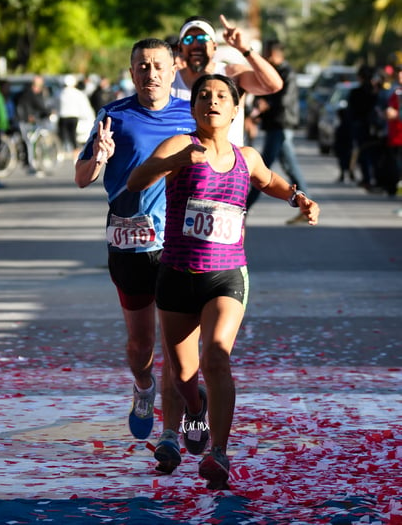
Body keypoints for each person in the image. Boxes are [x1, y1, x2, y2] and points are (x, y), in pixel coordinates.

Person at [127, 73, 320, 489]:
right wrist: (172, 164)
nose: (211, 102)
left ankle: (218, 452)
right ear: (194, 107)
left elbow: (268, 180)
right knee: (182, 374)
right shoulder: (181, 145)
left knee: (216, 356)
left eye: (221, 97)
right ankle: (194, 408)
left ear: (235, 110)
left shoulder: (246, 156)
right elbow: (136, 181)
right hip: (177, 275)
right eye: (203, 96)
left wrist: (296, 197)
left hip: (227, 276)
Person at [75, 38, 196, 444]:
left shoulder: (192, 114)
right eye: (142, 66)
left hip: (181, 244)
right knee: (141, 344)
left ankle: (183, 424)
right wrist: (100, 158)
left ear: (173, 68)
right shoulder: (113, 116)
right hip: (130, 243)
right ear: (131, 73)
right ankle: (144, 387)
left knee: (182, 348)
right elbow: (82, 178)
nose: (151, 73)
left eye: (158, 65)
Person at [171, 14, 283, 147]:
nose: (195, 44)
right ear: (180, 47)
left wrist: (245, 49)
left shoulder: (231, 74)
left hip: (228, 164)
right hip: (181, 163)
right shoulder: (169, 79)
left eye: (203, 38)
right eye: (188, 39)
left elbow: (273, 86)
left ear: (214, 46)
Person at [245, 39, 311, 224]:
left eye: (266, 53)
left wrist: (267, 105)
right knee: (290, 166)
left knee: (262, 171)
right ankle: (306, 204)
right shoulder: (274, 71)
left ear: (274, 53)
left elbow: (283, 100)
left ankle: (244, 207)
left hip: (281, 127)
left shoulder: (287, 72)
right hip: (274, 125)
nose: (265, 57)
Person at [348, 64, 378, 191]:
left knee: (363, 154)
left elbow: (350, 112)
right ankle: (372, 179)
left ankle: (367, 179)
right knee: (373, 154)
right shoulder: (375, 92)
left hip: (361, 127)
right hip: (374, 128)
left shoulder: (356, 92)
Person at [16, 74, 50, 173]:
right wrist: (48, 112)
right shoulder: (29, 93)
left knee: (30, 141)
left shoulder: (29, 92)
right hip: (24, 120)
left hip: (27, 119)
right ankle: (30, 164)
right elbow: (38, 105)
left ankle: (30, 163)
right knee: (29, 142)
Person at [58, 74, 95, 154]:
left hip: (63, 117)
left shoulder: (60, 93)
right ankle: (75, 153)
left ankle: (63, 152)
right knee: (73, 136)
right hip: (74, 117)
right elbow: (85, 107)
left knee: (63, 136)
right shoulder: (78, 93)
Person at [384, 64, 402, 196]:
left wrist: (396, 114)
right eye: (398, 73)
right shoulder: (395, 91)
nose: (399, 76)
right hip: (394, 136)